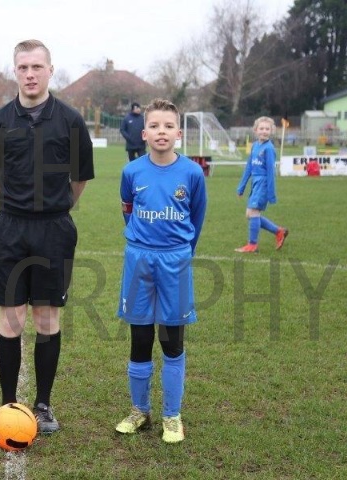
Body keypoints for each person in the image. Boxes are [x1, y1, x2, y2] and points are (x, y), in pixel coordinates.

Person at [0, 39, 94, 434]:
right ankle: (8, 404)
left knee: (47, 318)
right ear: (15, 71)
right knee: (10, 319)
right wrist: (18, 207)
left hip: (54, 230)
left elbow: (79, 180)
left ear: (50, 70)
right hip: (9, 229)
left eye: (37, 67)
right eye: (23, 67)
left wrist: (52, 210)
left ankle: (43, 405)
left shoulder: (71, 121)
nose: (30, 74)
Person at [115, 98, 207, 443]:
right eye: (154, 126)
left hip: (175, 262)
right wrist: (143, 242)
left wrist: (181, 252)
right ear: (144, 134)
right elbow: (128, 210)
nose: (161, 131)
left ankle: (172, 415)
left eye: (168, 126)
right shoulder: (132, 172)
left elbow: (197, 217)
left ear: (179, 133)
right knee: (140, 339)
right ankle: (140, 411)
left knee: (171, 341)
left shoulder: (192, 173)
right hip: (139, 260)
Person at [235, 116, 288, 253]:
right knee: (250, 214)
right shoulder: (254, 146)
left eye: (267, 129)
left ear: (271, 131)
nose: (264, 131)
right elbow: (249, 167)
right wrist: (241, 187)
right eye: (261, 128)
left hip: (263, 183)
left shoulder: (269, 148)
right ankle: (279, 231)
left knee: (254, 212)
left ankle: (252, 245)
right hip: (255, 183)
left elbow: (271, 172)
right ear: (256, 130)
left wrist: (271, 193)